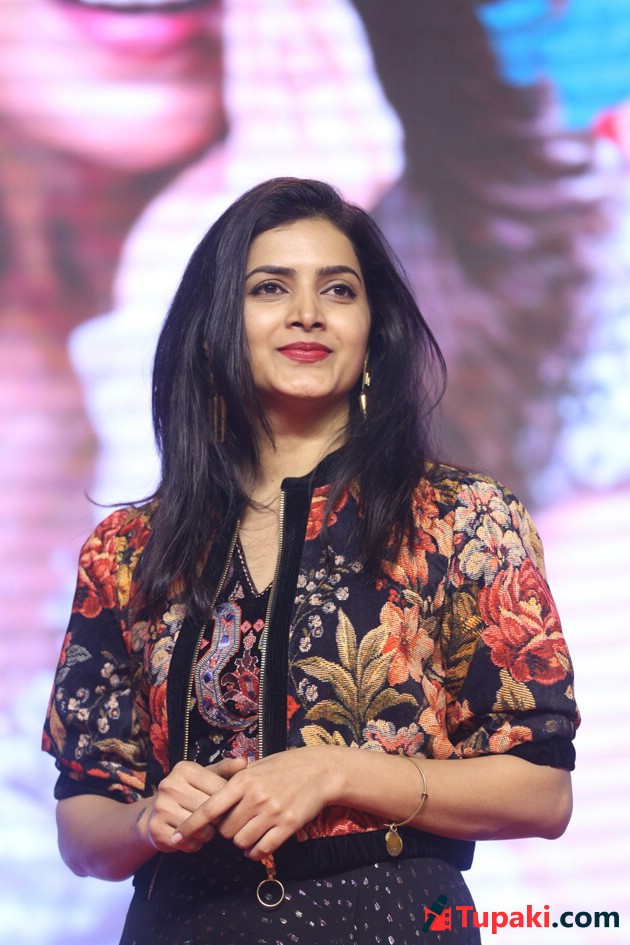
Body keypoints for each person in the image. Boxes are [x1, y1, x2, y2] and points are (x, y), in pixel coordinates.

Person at [42, 178, 579, 945]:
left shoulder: (462, 518)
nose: (308, 313)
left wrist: (338, 772)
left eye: (338, 289)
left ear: (372, 329)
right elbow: (82, 829)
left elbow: (543, 793)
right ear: (213, 326)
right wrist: (147, 818)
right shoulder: (127, 549)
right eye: (270, 287)